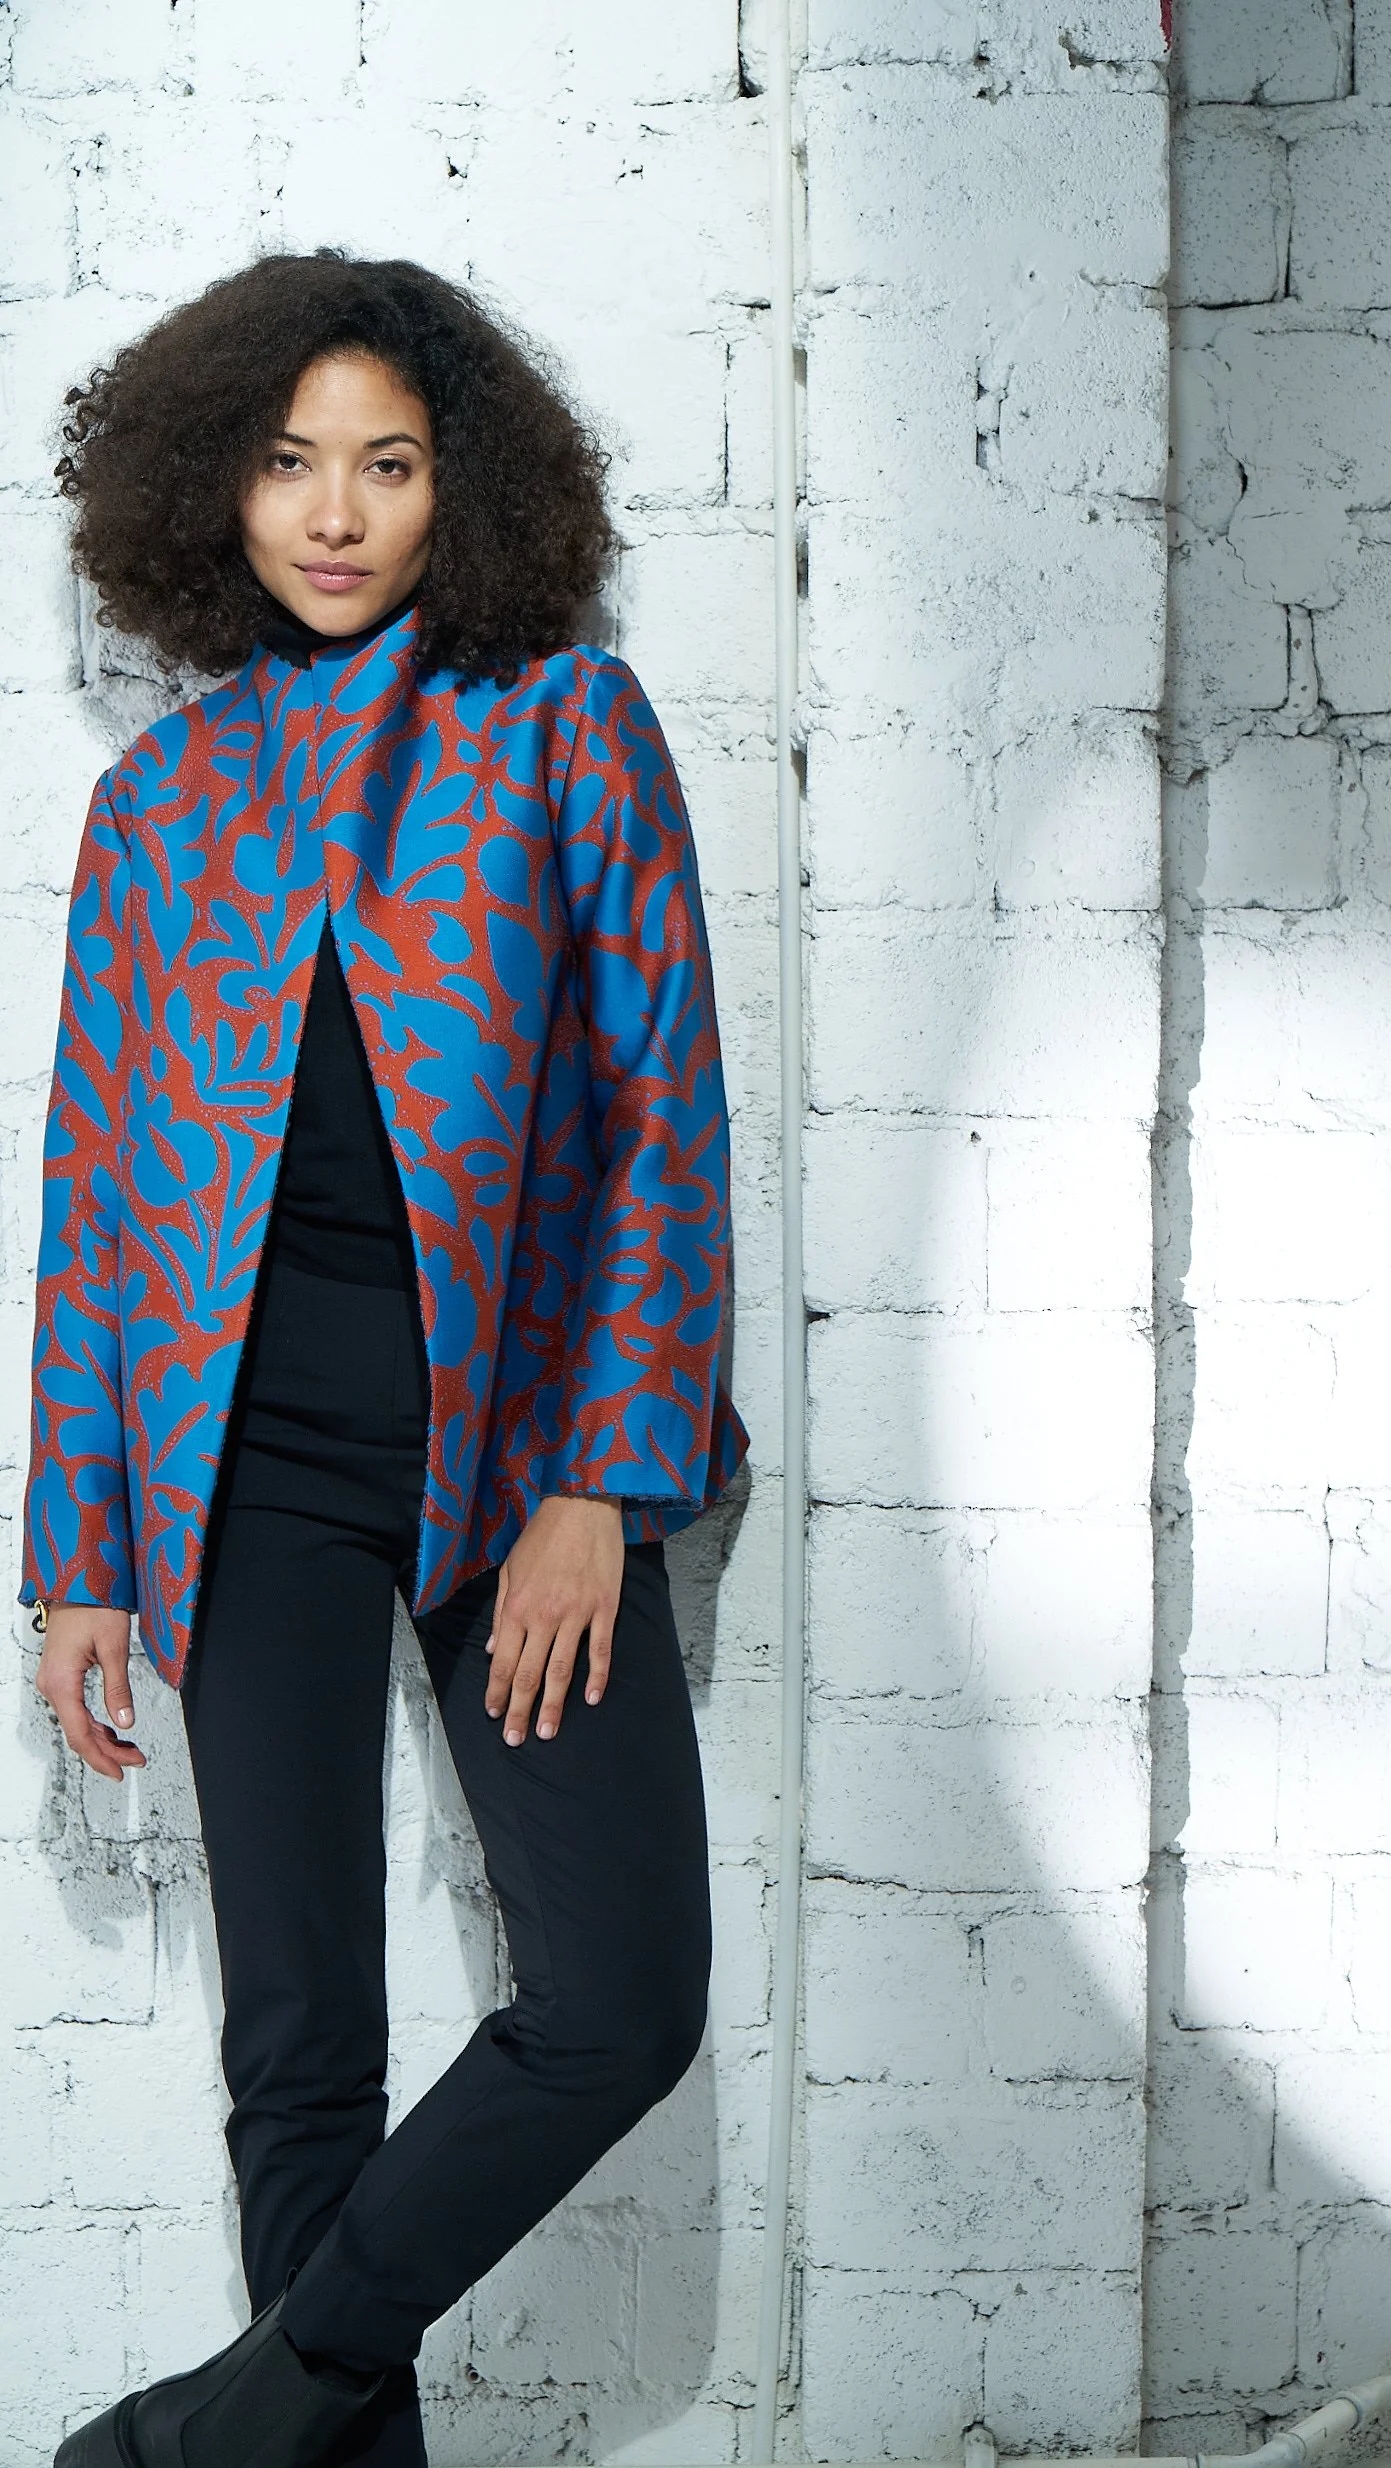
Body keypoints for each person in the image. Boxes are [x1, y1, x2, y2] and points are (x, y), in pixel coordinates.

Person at [24, 251, 747, 2468]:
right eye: (286, 462)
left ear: (466, 486)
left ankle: (213, 2431)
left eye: (390, 463)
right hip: (243, 1474)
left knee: (619, 1998)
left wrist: (602, 1485)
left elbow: (663, 1118)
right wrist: (78, 1554)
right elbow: (95, 1199)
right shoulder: (161, 805)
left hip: (524, 1462)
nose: (334, 512)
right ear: (214, 491)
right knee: (300, 2043)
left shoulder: (564, 728)